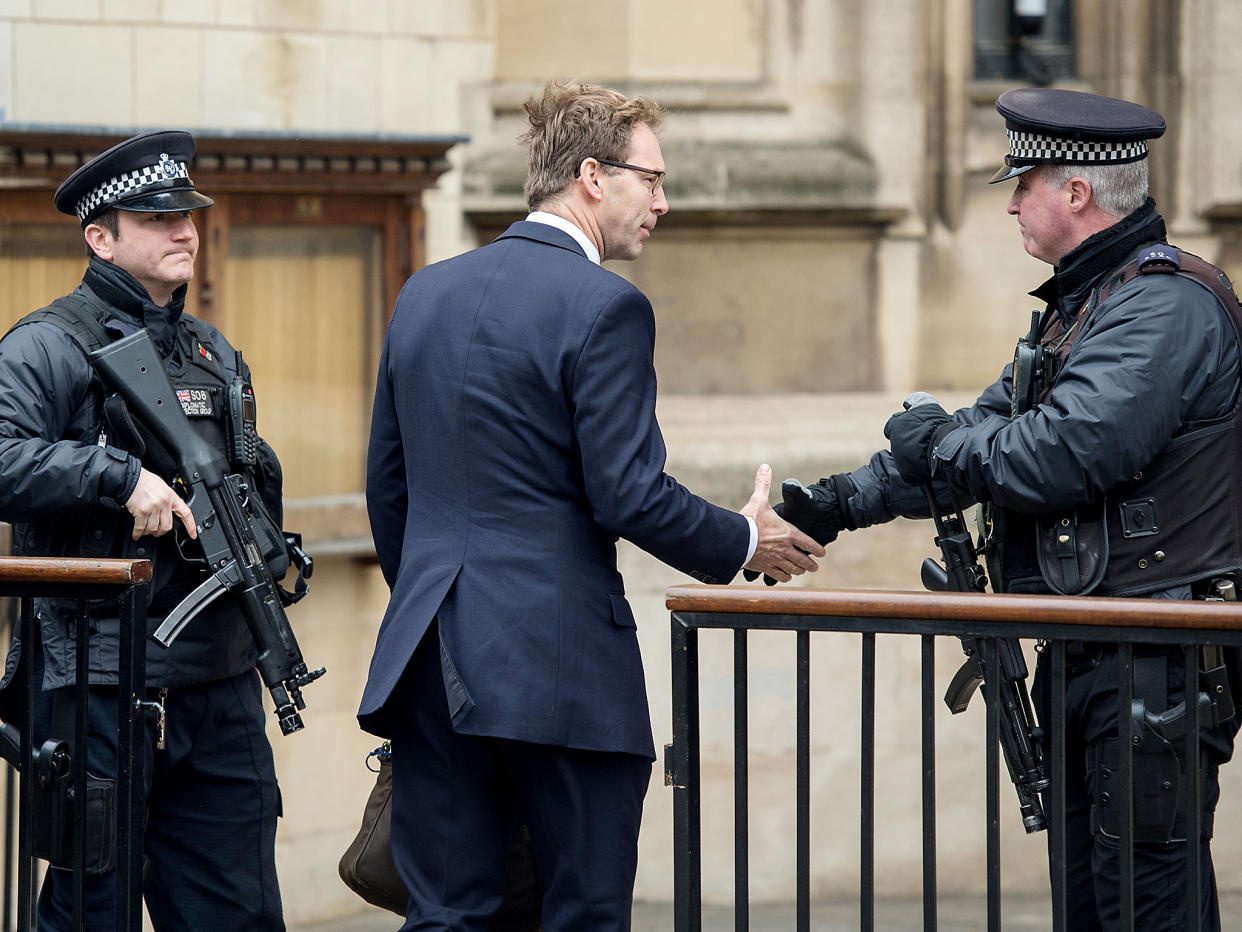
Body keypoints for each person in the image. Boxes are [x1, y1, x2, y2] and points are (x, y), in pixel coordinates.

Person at [359, 79, 824, 932]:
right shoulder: (607, 305)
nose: (664, 202)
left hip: (428, 655)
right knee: (582, 914)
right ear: (591, 175)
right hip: (558, 667)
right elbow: (628, 491)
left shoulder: (423, 292)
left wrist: (439, 592)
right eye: (651, 180)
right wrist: (739, 539)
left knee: (447, 915)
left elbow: (389, 491)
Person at [776, 87, 1242, 930]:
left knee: (1145, 910)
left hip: (1153, 656)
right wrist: (835, 505)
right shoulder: (1088, 305)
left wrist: (939, 445)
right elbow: (975, 443)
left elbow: (1060, 455)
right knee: (1093, 905)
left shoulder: (1162, 308)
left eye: (1024, 181)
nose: (1012, 200)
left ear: (1077, 193)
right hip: (1100, 649)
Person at [0, 132, 288, 929]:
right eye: (156, 217)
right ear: (101, 237)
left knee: (239, 912)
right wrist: (117, 478)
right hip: (103, 680)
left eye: (188, 216)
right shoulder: (49, 343)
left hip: (219, 683)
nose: (183, 231)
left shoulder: (211, 352)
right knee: (94, 911)